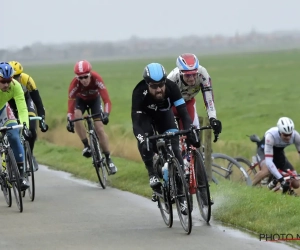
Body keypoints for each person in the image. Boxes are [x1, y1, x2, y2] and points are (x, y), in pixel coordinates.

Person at [131, 62, 200, 212]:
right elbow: (136, 124)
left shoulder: (171, 87)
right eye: (154, 86)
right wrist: (143, 140)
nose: (158, 89)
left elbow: (183, 112)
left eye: (161, 85)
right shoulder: (138, 91)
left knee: (175, 150)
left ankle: (181, 196)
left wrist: (190, 130)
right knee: (147, 142)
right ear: (147, 84)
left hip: (164, 116)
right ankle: (152, 172)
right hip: (145, 117)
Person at [66, 60, 117, 174]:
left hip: (95, 100)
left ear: (90, 74)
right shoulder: (74, 84)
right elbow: (70, 103)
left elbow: (106, 100)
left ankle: (108, 158)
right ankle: (86, 146)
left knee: (99, 128)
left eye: (85, 77)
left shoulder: (97, 78)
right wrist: (70, 119)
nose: (83, 80)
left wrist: (106, 114)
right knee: (77, 116)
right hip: (81, 101)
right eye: (80, 78)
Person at [167, 53, 222, 136]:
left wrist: (213, 118)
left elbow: (209, 99)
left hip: (188, 102)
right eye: (188, 75)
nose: (192, 78)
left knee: (193, 134)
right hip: (172, 105)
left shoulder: (202, 74)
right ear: (181, 72)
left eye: (194, 74)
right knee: (172, 134)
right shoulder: (172, 79)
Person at [8, 61, 48, 171]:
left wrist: (42, 120)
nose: (15, 79)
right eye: (13, 77)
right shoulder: (5, 83)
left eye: (17, 76)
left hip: (25, 101)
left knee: (31, 129)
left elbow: (38, 102)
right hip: (9, 103)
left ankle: (29, 155)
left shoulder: (27, 80)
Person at [0, 62, 30, 190]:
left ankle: (21, 177)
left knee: (14, 136)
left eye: (9, 80)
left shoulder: (16, 86)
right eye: (2, 81)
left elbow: (22, 109)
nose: (6, 84)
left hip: (3, 110)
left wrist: (25, 126)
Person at [252, 117, 300, 193]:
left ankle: (273, 179)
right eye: (285, 135)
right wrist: (281, 179)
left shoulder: (296, 136)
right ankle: (248, 188)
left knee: (296, 183)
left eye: (289, 134)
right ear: (280, 132)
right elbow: (269, 161)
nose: (288, 137)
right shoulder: (270, 136)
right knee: (265, 171)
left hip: (278, 152)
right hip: (264, 150)